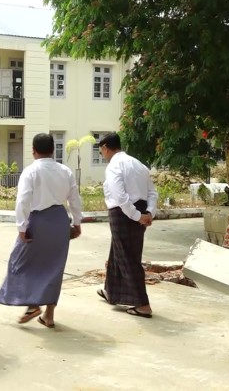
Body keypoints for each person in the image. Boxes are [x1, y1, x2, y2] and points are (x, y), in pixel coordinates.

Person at [0, 133, 83, 328]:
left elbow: (23, 201)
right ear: (53, 150)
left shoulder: (31, 171)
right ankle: (49, 316)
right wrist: (77, 222)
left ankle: (33, 305)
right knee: (54, 268)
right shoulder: (65, 171)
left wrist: (21, 227)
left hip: (38, 221)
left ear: (33, 150)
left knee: (19, 261)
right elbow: (74, 199)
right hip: (59, 220)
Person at [95, 132, 159, 318]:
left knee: (127, 256)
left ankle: (142, 304)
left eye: (101, 151)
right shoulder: (138, 164)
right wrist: (149, 213)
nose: (102, 154)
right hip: (139, 210)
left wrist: (137, 216)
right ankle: (112, 291)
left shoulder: (114, 166)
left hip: (123, 213)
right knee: (117, 251)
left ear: (106, 148)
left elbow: (120, 196)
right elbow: (152, 193)